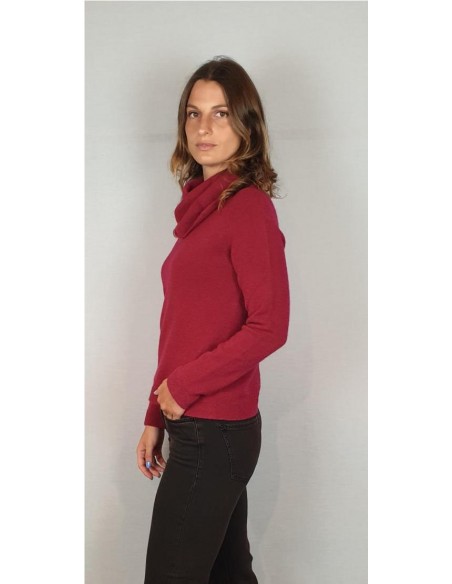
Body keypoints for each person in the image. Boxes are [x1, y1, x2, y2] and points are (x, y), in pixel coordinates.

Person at [136, 55, 290, 584]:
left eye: (220, 114)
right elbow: (180, 327)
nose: (204, 128)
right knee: (229, 575)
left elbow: (270, 325)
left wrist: (181, 387)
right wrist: (155, 415)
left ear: (246, 124)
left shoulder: (248, 208)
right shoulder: (200, 211)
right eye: (194, 113)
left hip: (215, 428)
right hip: (196, 424)